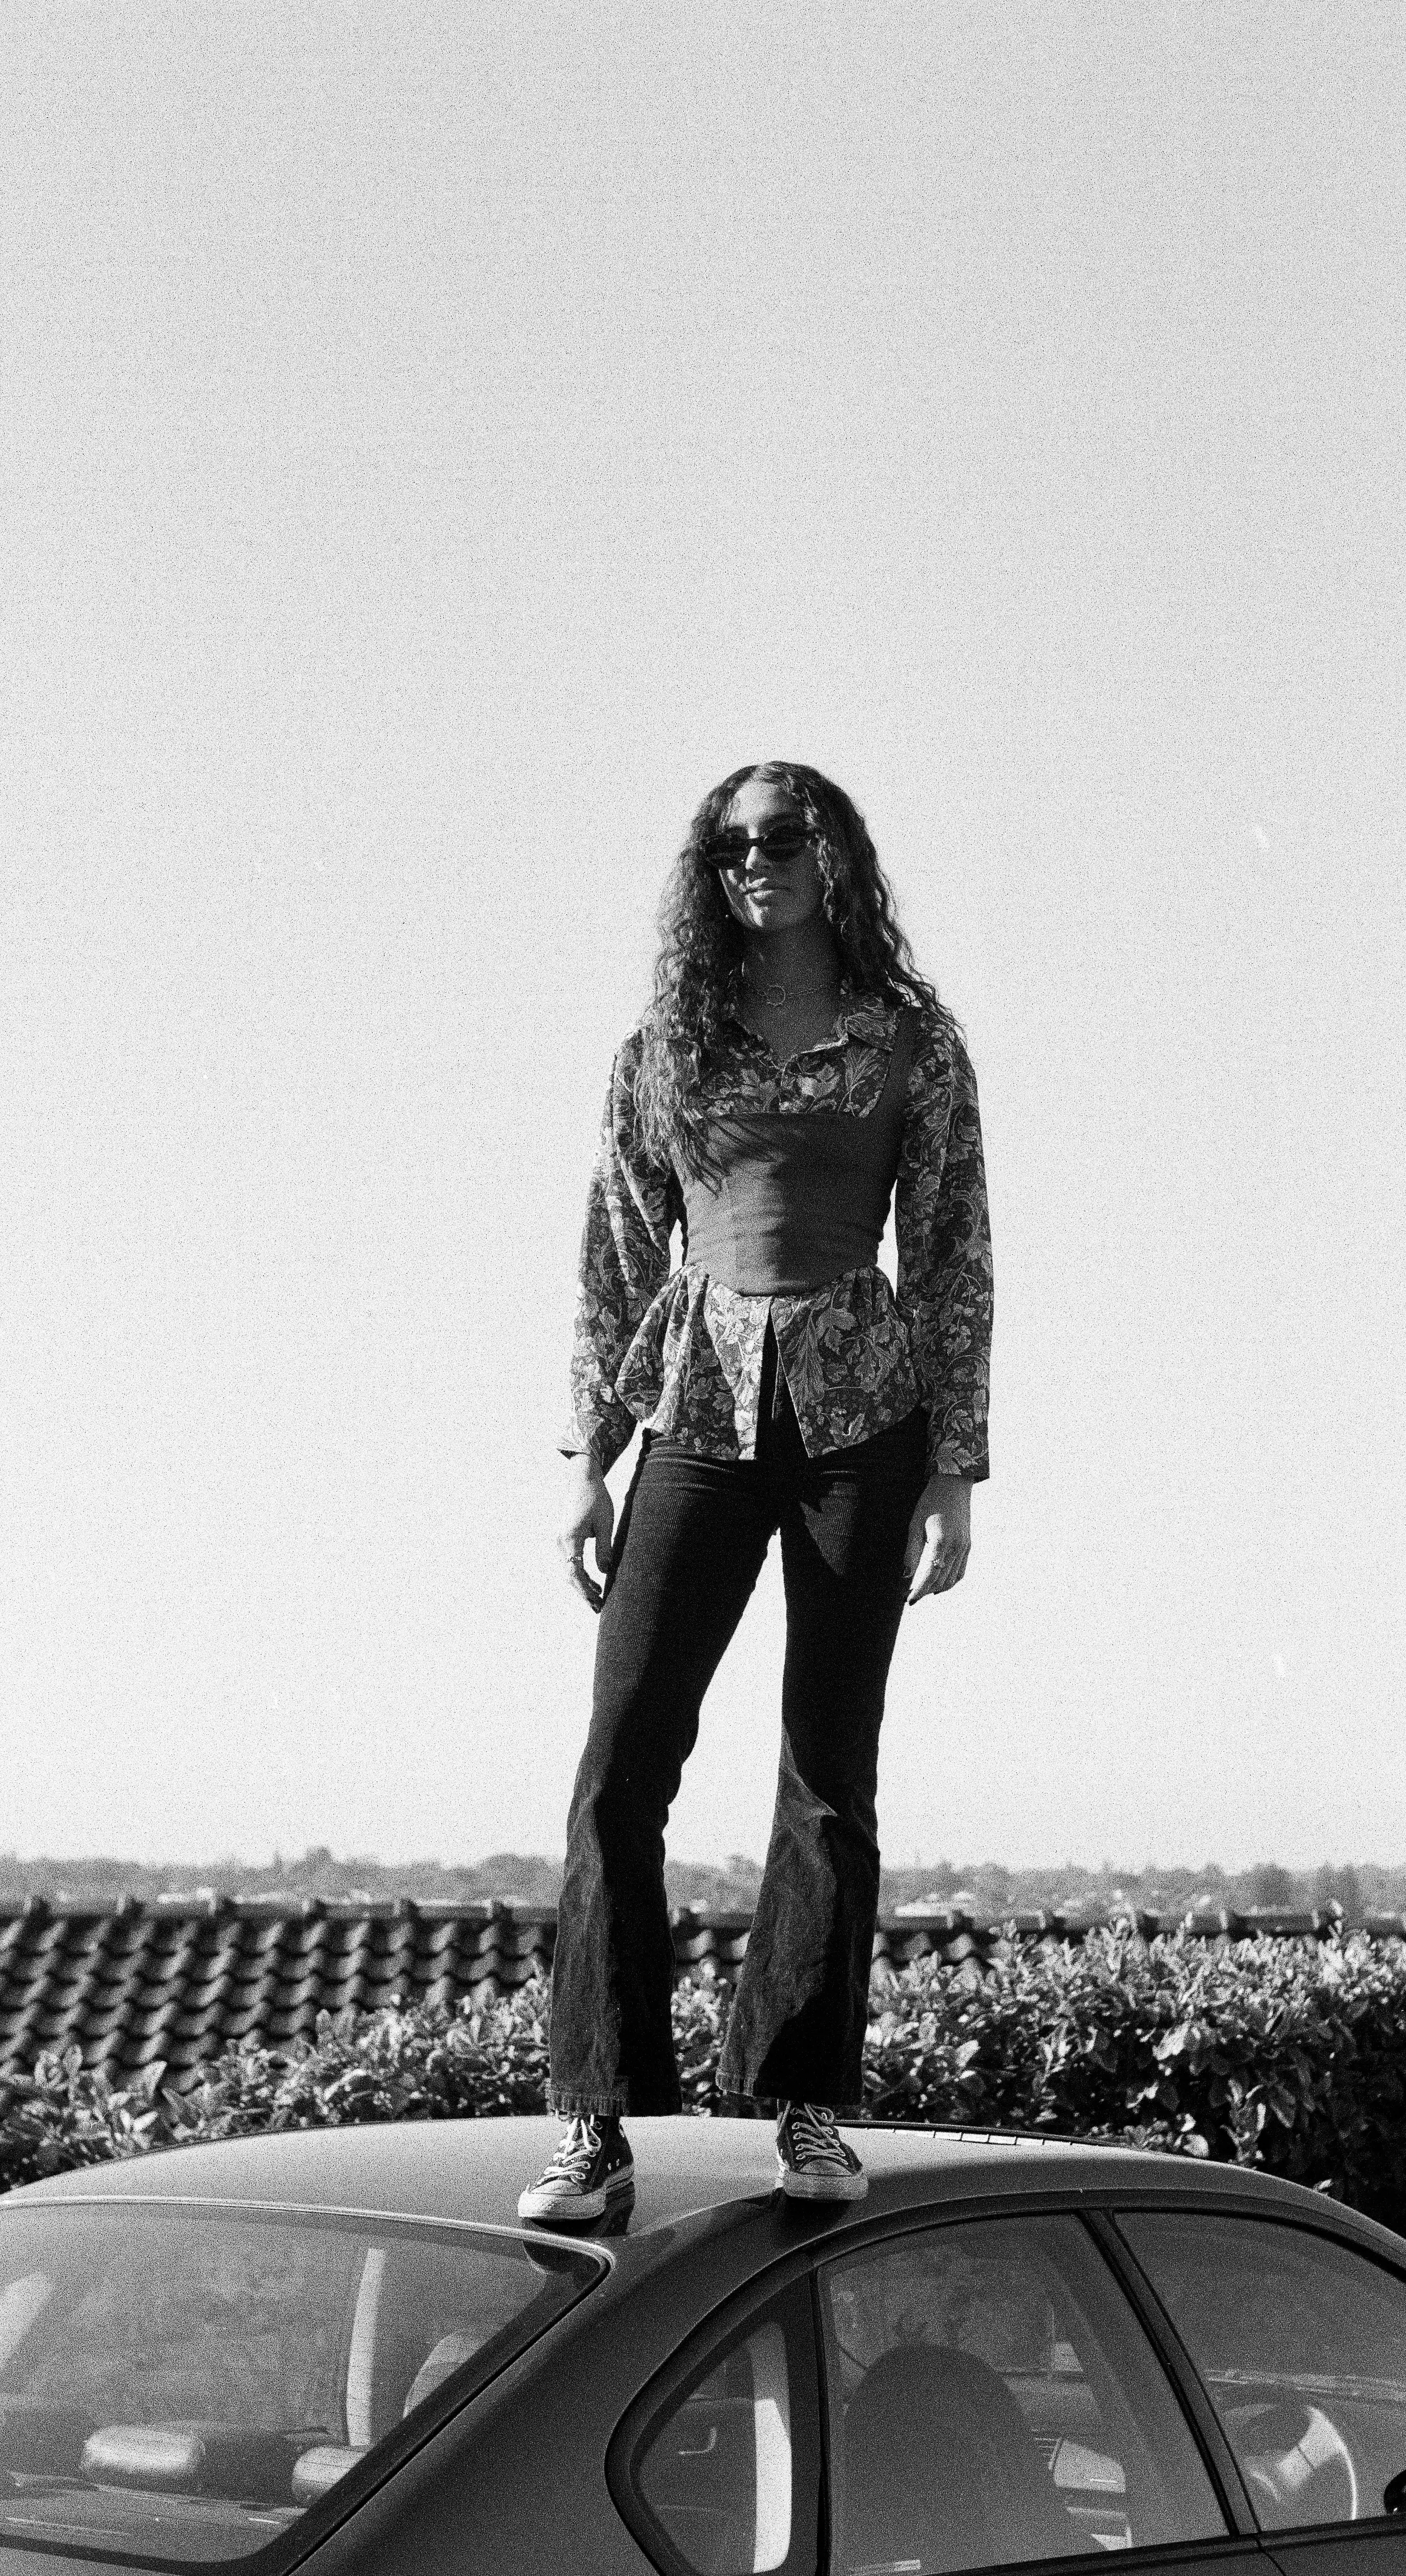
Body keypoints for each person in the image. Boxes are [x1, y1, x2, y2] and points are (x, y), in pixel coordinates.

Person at [519, 761, 992, 2224]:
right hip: (700, 1406)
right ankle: (596, 2125)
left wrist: (957, 1475)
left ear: (839, 855)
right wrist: (585, 1462)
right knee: (624, 1756)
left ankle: (804, 2107)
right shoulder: (668, 1045)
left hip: (865, 1412)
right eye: (729, 847)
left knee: (827, 1771)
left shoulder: (909, 1044)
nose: (756, 865)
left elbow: (956, 1248)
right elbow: (614, 1249)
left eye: (783, 839)